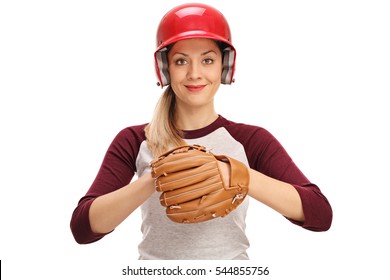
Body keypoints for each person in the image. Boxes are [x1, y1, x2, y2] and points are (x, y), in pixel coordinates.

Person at [70, 2, 332, 260]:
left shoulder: (251, 140)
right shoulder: (135, 140)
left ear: (223, 66)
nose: (195, 73)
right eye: (181, 61)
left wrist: (236, 174)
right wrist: (157, 177)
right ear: (165, 69)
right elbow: (82, 228)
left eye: (207, 60)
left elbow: (320, 214)